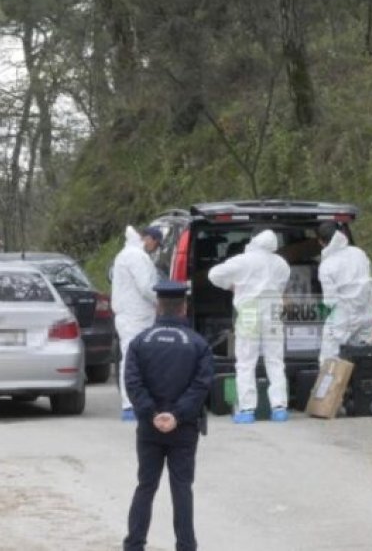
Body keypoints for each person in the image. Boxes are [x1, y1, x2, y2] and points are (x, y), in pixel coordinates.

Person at [123, 280, 213, 551]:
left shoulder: (140, 343)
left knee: (146, 486)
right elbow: (201, 385)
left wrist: (152, 414)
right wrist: (177, 415)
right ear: (184, 307)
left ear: (158, 306)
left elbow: (133, 383)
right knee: (182, 489)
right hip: (184, 428)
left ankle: (134, 545)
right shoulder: (198, 344)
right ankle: (186, 546)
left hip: (149, 429)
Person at [208, 229, 291, 424]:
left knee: (246, 361)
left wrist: (230, 285)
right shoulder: (281, 263)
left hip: (249, 311)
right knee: (275, 360)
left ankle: (247, 409)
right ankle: (279, 408)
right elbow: (280, 287)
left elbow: (213, 274)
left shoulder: (243, 260)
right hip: (272, 311)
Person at [112, 225, 162, 421]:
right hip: (135, 316)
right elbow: (146, 287)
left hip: (132, 315)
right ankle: (130, 404)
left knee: (133, 358)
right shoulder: (136, 256)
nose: (155, 248)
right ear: (148, 238)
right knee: (133, 359)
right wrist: (161, 302)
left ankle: (133, 403)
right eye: (156, 244)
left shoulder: (127, 254)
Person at [316, 222, 372, 363]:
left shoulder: (327, 265)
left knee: (330, 360)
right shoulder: (359, 253)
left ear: (321, 241)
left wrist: (319, 314)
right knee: (363, 359)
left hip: (342, 319)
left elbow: (329, 302)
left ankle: (333, 386)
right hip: (365, 315)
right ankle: (360, 385)